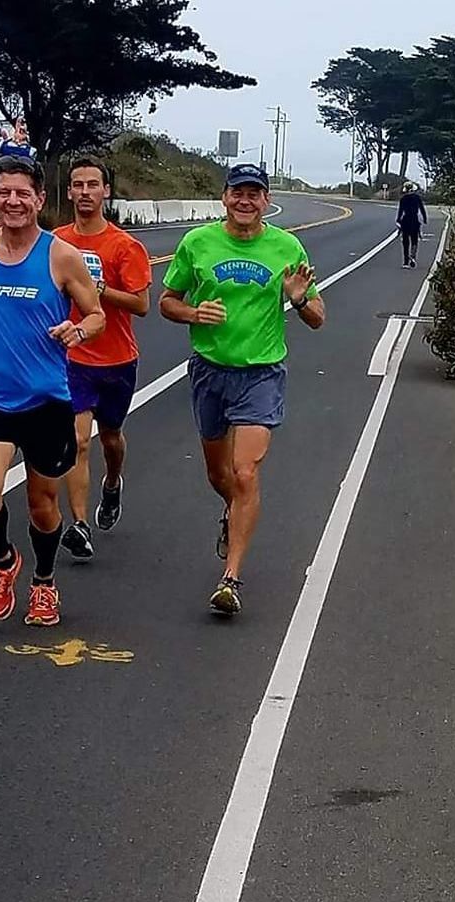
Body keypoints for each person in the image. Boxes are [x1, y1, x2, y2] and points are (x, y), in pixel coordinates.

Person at [0, 157, 105, 626]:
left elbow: (96, 313)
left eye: (22, 194)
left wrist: (78, 330)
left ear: (39, 199)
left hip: (44, 400)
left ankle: (45, 581)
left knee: (41, 503)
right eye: (4, 192)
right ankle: (2, 560)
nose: (13, 201)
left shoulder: (60, 256)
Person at [159, 163, 325, 616]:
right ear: (225, 197)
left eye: (255, 193)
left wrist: (297, 298)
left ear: (266, 200)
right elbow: (166, 302)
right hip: (210, 371)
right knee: (221, 477)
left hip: (261, 373)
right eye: (238, 193)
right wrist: (193, 314)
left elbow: (317, 317)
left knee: (245, 471)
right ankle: (234, 516)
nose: (246, 201)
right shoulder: (198, 243)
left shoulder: (286, 247)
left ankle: (230, 577)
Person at [53, 156, 152, 560]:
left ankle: (113, 482)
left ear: (106, 191)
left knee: (110, 436)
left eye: (93, 185)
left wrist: (98, 290)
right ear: (70, 190)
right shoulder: (56, 241)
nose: (85, 192)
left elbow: (142, 304)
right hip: (72, 356)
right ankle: (79, 523)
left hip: (116, 358)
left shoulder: (125, 246)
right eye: (78, 185)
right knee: (77, 441)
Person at [396, 181, 427, 269]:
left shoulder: (403, 199)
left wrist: (398, 220)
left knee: (405, 242)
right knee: (414, 240)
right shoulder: (417, 198)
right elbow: (422, 209)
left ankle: (405, 262)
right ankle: (412, 256)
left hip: (405, 221)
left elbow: (400, 211)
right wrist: (424, 219)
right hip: (414, 220)